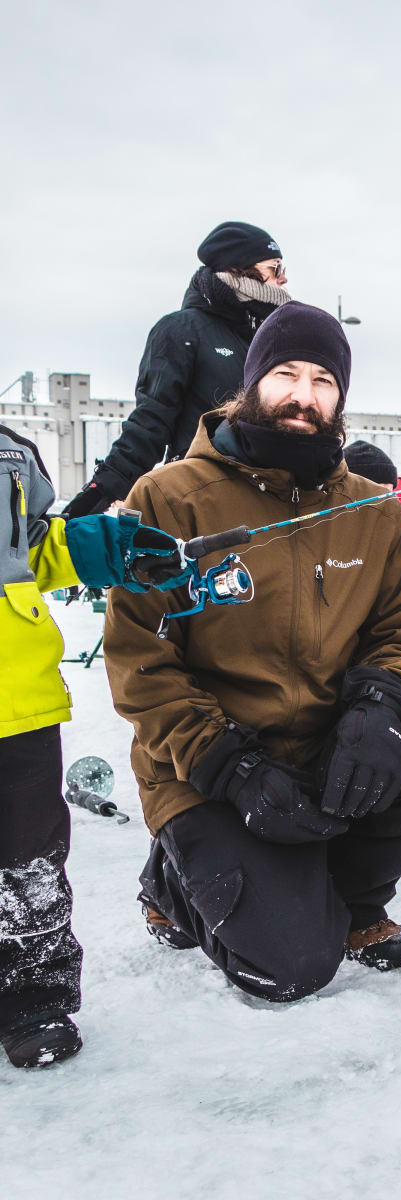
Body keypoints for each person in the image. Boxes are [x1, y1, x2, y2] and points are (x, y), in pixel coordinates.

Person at [103, 302, 401, 1001]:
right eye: (286, 373)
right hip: (208, 767)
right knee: (289, 972)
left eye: (323, 380)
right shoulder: (168, 499)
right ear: (252, 382)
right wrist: (228, 764)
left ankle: (352, 898)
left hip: (324, 752)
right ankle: (171, 880)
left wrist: (376, 708)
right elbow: (142, 662)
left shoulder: (371, 509)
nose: (303, 394)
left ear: (340, 398)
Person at [1, 424, 187, 1067]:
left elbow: (32, 550)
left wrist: (111, 546)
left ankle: (34, 997)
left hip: (14, 696)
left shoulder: (9, 454)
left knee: (29, 858)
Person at [63, 222, 292, 518]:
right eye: (275, 268)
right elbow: (149, 426)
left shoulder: (273, 338)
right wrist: (95, 499)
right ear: (239, 270)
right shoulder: (182, 331)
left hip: (271, 503)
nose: (284, 279)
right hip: (203, 501)